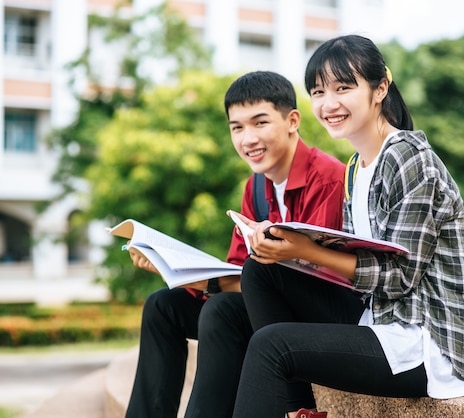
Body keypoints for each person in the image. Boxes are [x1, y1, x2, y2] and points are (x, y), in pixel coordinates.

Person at [231, 35, 464, 418]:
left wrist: (306, 251)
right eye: (318, 92)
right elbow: (359, 262)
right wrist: (290, 250)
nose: (328, 104)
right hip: (379, 319)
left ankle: (296, 408)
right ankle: (301, 411)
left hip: (428, 343)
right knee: (260, 271)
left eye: (343, 88)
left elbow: (400, 278)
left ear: (380, 88)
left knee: (272, 344)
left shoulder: (409, 158)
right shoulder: (355, 167)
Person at [124, 71, 346, 418]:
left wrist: (207, 283)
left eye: (259, 123)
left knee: (220, 310)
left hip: (318, 317)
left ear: (292, 120)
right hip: (264, 310)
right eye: (237, 127)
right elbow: (238, 268)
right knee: (162, 307)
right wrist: (177, 272)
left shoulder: (328, 178)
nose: (248, 139)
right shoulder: (255, 188)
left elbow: (317, 282)